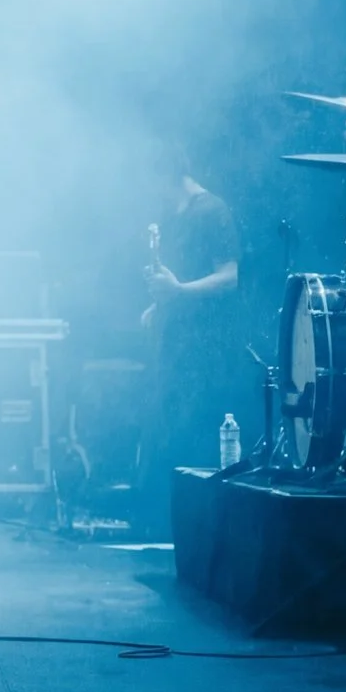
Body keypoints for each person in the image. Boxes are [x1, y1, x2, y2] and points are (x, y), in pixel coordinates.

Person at [140, 154, 243, 533]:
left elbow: (229, 277)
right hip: (178, 340)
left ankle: (197, 523)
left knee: (193, 428)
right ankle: (167, 521)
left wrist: (179, 292)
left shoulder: (213, 211)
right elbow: (179, 279)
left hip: (206, 345)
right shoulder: (175, 216)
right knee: (168, 426)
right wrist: (159, 304)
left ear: (168, 173)